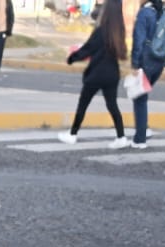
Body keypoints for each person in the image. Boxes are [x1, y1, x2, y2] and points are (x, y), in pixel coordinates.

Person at [58, 1, 127, 147]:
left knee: (83, 104)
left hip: (96, 73)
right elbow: (122, 53)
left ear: (106, 12)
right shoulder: (119, 31)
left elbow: (88, 49)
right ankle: (121, 137)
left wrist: (71, 58)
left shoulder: (101, 31)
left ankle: (72, 134)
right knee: (112, 105)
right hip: (112, 74)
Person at [129, 0, 165, 147]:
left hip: (146, 61)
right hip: (159, 63)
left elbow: (138, 40)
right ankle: (144, 129)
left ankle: (140, 139)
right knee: (142, 97)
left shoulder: (144, 14)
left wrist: (135, 63)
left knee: (139, 99)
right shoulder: (163, 13)